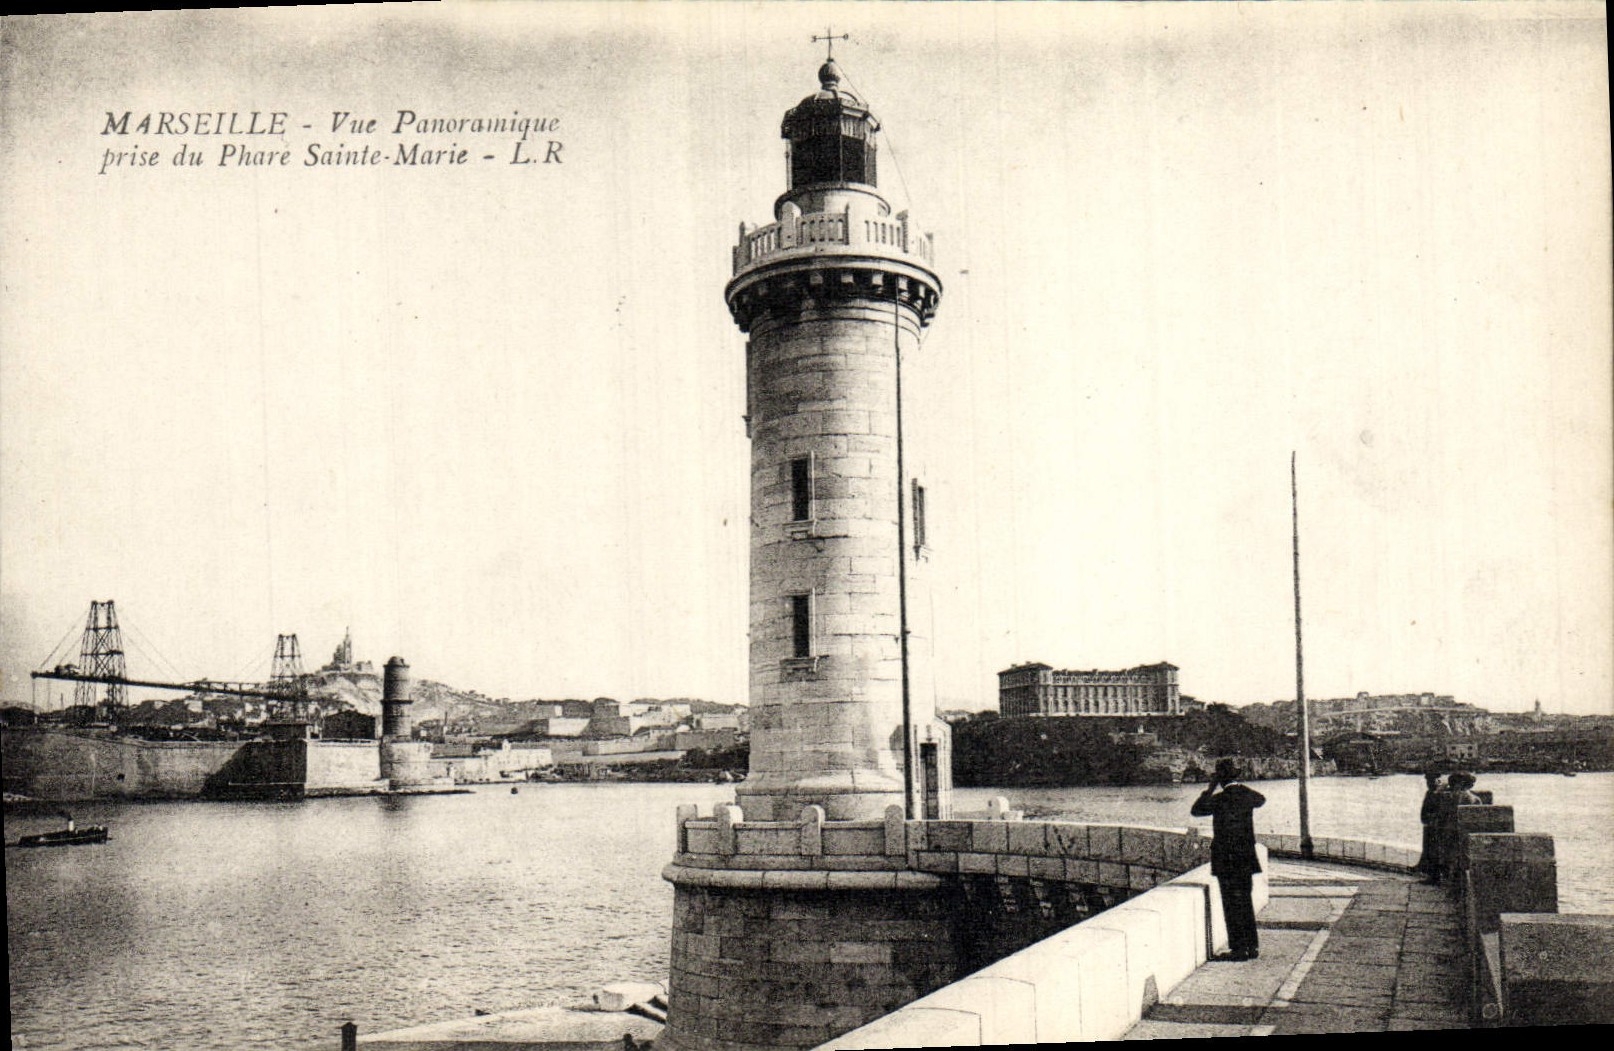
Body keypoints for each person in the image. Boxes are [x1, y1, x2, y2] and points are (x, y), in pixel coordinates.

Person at [1191, 758, 1267, 961]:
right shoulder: (1246, 795)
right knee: (1245, 901)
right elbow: (1261, 799)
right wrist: (1239, 785)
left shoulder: (1218, 799)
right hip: (1245, 858)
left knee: (1231, 904)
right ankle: (1252, 947)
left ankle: (1239, 949)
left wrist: (1209, 788)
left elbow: (1196, 810)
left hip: (1226, 859)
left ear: (1220, 778)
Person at [1433, 770, 1482, 885]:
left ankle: (1454, 885)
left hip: (1450, 832)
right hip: (1466, 835)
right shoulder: (1475, 799)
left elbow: (1440, 816)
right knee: (1465, 861)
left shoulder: (1448, 798)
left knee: (1452, 859)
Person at [1415, 771, 1445, 881]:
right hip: (1429, 826)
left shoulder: (1440, 793)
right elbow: (1424, 809)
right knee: (1429, 850)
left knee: (1435, 851)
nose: (1429, 783)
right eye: (1428, 781)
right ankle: (1430, 874)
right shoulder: (1430, 793)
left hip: (1436, 827)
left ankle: (1435, 876)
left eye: (1431, 781)